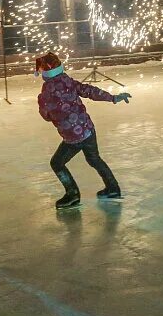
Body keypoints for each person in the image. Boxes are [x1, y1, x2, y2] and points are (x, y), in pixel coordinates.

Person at [36, 52, 130, 209]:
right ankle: (113, 188)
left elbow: (46, 116)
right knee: (94, 159)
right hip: (88, 130)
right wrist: (113, 98)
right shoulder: (67, 80)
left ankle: (72, 194)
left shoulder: (45, 93)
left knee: (57, 163)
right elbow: (89, 91)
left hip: (72, 137)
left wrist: (48, 110)